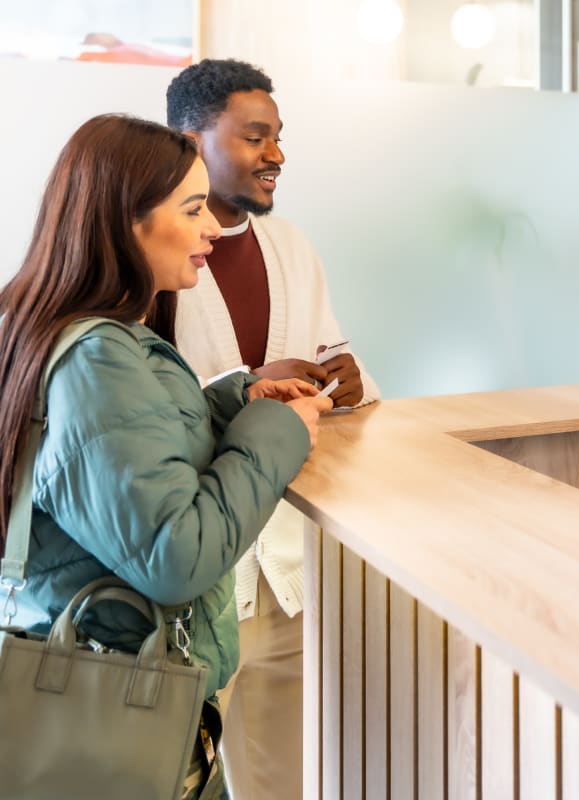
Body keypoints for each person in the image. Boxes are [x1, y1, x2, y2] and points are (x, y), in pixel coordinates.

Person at [0, 114, 333, 799]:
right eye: (191, 209)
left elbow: (123, 457)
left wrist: (236, 398)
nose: (213, 225)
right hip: (120, 714)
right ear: (127, 222)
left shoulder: (70, 333)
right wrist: (275, 429)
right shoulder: (98, 358)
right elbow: (174, 554)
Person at [166, 59, 379, 799]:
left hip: (286, 566)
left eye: (279, 137)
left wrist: (347, 377)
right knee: (169, 774)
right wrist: (250, 389)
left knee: (281, 778)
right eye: (255, 136)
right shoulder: (152, 258)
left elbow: (329, 360)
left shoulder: (289, 246)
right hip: (193, 578)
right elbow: (138, 405)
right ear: (191, 139)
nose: (277, 155)